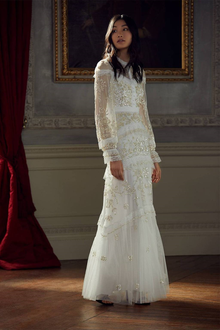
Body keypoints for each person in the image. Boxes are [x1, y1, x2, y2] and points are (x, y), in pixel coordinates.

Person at [82, 14, 169, 306]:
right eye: (114, 30)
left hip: (141, 150)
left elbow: (144, 114)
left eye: (125, 29)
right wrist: (111, 154)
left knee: (141, 212)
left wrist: (153, 154)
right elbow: (100, 114)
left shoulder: (139, 70)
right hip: (120, 149)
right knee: (117, 212)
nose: (120, 34)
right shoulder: (104, 67)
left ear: (133, 35)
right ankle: (108, 288)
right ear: (108, 36)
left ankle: (139, 286)